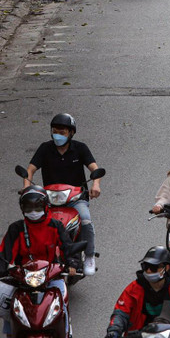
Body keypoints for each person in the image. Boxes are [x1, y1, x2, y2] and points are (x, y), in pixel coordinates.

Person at [22, 114, 101, 276]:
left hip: (75, 199)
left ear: (71, 133)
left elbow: (94, 169)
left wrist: (96, 184)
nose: (58, 134)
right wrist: (26, 186)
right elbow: (30, 170)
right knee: (31, 219)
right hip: (49, 199)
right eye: (55, 131)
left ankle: (89, 256)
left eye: (62, 132)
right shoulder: (45, 149)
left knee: (86, 220)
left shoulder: (80, 148)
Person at [0, 188, 73, 326]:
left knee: (63, 304)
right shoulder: (16, 228)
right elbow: (4, 255)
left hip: (51, 275)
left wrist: (73, 264)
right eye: (29, 208)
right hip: (22, 278)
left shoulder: (56, 225)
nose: (33, 211)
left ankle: (67, 331)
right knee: (11, 311)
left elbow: (68, 248)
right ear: (22, 209)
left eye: (37, 207)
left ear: (45, 206)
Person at [105, 247, 170, 338]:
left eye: (153, 267)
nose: (148, 270)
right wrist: (114, 331)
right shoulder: (133, 289)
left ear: (166, 268)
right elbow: (120, 314)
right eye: (145, 266)